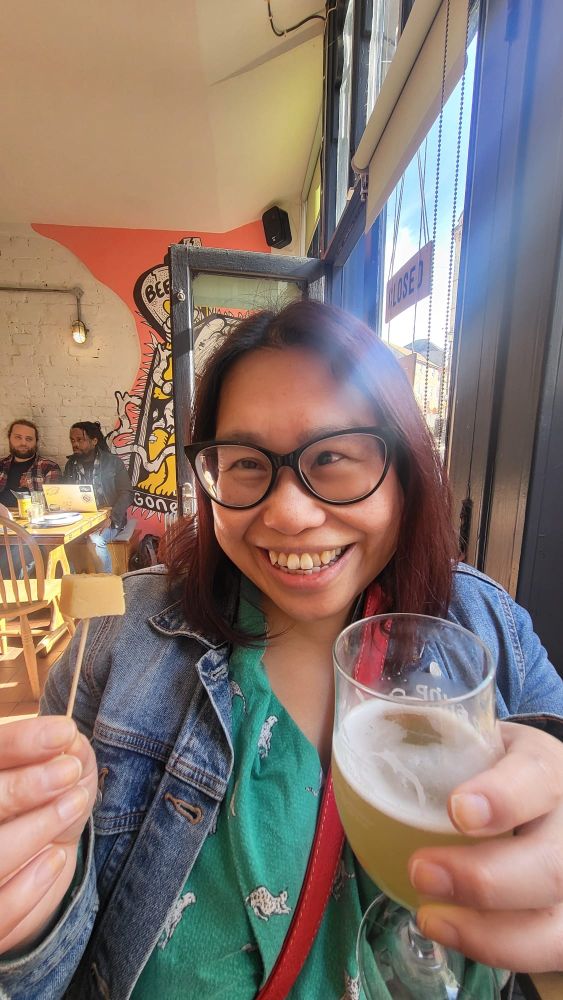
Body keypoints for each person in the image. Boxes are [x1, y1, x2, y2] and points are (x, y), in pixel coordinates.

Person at [1, 301, 563, 999]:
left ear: (405, 467)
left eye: (332, 457)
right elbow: (51, 962)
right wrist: (26, 931)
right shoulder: (120, 644)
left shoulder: (488, 627)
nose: (289, 514)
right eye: (244, 463)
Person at [64, 420, 133, 573]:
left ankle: (105, 581)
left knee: (96, 540)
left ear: (94, 441)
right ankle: (72, 580)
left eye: (80, 440)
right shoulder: (71, 465)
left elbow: (127, 493)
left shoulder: (113, 463)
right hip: (80, 519)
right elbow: (65, 494)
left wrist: (112, 518)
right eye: (72, 440)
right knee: (62, 542)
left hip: (109, 517)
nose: (75, 444)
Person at [0, 419, 61, 508]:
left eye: (29, 439)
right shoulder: (1, 465)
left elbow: (52, 504)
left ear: (36, 442)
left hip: (31, 516)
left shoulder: (49, 468)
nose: (23, 443)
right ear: (9, 438)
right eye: (18, 437)